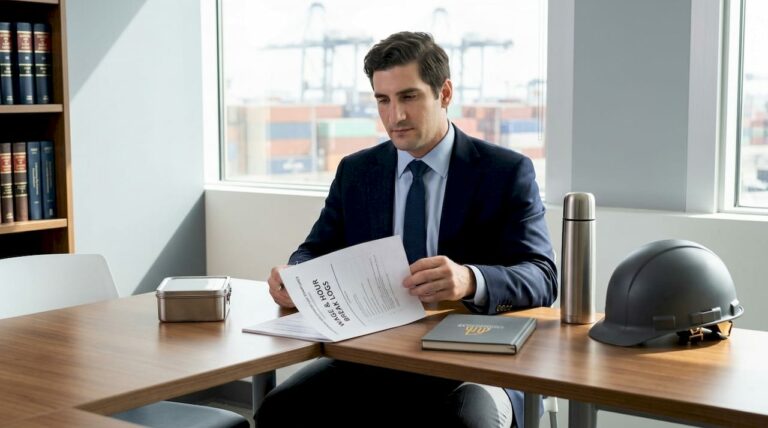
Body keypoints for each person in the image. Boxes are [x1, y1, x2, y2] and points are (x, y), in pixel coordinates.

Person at [259, 31, 557, 428]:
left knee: (463, 423)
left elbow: (542, 277)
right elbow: (315, 250)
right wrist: (294, 274)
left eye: (409, 97)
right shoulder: (358, 171)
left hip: (474, 362)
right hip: (374, 356)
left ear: (444, 93)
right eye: (383, 100)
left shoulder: (504, 172)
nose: (395, 116)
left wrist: (470, 279)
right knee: (280, 412)